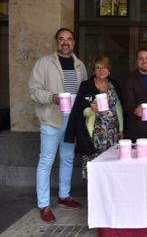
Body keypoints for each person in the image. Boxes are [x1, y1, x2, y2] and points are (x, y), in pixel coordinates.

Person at [28, 28, 87, 223]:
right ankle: (44, 205)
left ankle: (64, 196)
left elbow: (85, 91)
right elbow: (33, 91)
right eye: (61, 39)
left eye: (69, 39)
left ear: (74, 43)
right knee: (46, 161)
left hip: (72, 121)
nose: (65, 42)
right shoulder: (44, 63)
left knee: (68, 158)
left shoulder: (80, 65)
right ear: (56, 42)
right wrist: (51, 97)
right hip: (52, 119)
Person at [65, 55, 123, 180]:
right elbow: (81, 110)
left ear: (109, 70)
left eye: (104, 68)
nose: (101, 71)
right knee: (94, 166)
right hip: (95, 133)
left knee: (110, 166)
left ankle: (108, 196)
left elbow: (118, 108)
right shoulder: (86, 85)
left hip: (112, 133)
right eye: (97, 68)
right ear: (93, 70)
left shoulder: (114, 85)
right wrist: (91, 110)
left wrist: (121, 129)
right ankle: (93, 197)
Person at [121, 49, 147, 142]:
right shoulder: (129, 78)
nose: (144, 61)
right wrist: (135, 110)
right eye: (141, 58)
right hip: (138, 130)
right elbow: (127, 105)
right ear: (136, 61)